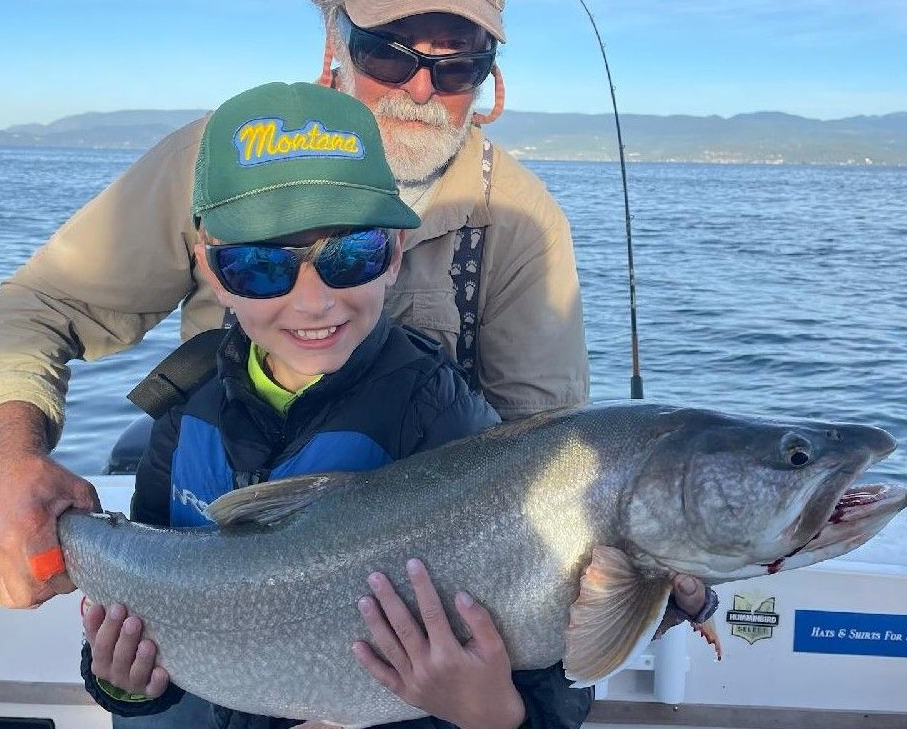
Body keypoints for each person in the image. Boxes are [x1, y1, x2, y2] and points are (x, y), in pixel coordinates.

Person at [0, 0, 592, 612]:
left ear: (491, 73)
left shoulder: (519, 219)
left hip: (391, 607)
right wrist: (12, 462)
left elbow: (552, 464)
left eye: (458, 65)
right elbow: (35, 308)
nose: (420, 88)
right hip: (215, 556)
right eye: (388, 49)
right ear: (335, 33)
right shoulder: (221, 160)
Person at [78, 80, 585, 729]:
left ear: (395, 253)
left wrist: (492, 715)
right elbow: (147, 595)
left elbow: (561, 682)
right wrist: (123, 683)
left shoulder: (446, 424)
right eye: (260, 265)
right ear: (212, 271)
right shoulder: (185, 404)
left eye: (351, 255)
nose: (314, 302)